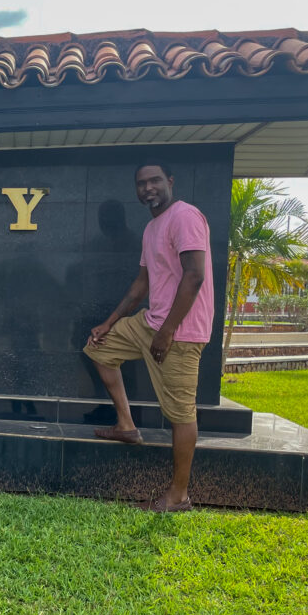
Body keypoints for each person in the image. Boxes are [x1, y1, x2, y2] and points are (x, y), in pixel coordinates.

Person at [83, 160, 214, 512]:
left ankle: (179, 495)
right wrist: (110, 322)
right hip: (149, 322)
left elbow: (195, 276)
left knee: (180, 413)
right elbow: (141, 284)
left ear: (170, 181)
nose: (148, 188)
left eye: (155, 180)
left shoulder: (185, 217)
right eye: (141, 183)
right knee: (98, 348)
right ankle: (127, 425)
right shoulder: (153, 227)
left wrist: (168, 331)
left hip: (180, 332)